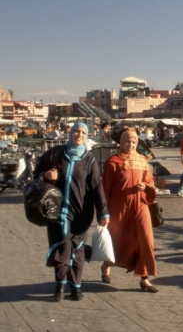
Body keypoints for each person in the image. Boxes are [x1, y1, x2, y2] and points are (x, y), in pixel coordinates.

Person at [33, 122, 109, 302]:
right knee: (63, 245)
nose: (79, 134)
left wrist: (103, 213)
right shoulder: (55, 153)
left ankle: (75, 286)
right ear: (70, 132)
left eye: (83, 132)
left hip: (82, 213)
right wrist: (45, 176)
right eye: (76, 131)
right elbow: (36, 172)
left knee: (78, 248)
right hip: (56, 211)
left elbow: (97, 187)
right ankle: (60, 285)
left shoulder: (89, 160)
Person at [101, 129, 158, 292]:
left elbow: (150, 182)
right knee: (117, 242)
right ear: (121, 142)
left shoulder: (142, 161)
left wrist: (146, 187)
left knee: (146, 240)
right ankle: (106, 264)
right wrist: (103, 212)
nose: (131, 145)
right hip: (119, 209)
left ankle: (144, 278)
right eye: (127, 141)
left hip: (140, 206)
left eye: (134, 142)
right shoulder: (113, 162)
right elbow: (105, 189)